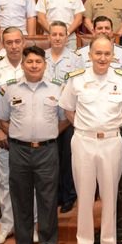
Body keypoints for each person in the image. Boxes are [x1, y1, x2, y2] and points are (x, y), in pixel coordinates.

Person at [59, 35, 122, 244]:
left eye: (107, 53)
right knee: (84, 194)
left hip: (111, 142)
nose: (102, 58)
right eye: (98, 53)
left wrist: (107, 126)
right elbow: (68, 111)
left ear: (113, 56)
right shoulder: (76, 80)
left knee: (110, 194)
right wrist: (88, 128)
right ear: (89, 55)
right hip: (83, 141)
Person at [0, 46, 68, 244]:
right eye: (30, 62)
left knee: (47, 199)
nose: (34, 65)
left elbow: (65, 118)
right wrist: (20, 136)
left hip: (47, 150)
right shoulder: (10, 90)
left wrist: (50, 134)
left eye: (38, 61)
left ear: (45, 65)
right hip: (18, 151)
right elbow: (3, 120)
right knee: (20, 198)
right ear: (23, 64)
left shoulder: (57, 89)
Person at [0, 27, 27, 244]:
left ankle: (31, 224)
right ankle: (7, 225)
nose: (13, 46)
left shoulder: (34, 65)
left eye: (17, 41)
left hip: (28, 136)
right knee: (5, 181)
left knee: (30, 182)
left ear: (23, 42)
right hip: (1, 134)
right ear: (3, 44)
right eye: (9, 42)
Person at [44, 21, 83, 213]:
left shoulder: (75, 60)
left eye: (61, 34)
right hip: (46, 116)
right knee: (50, 160)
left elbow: (80, 86)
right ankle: (54, 196)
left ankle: (68, 195)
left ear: (67, 37)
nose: (58, 38)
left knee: (68, 158)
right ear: (49, 36)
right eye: (54, 34)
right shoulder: (40, 57)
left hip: (68, 117)